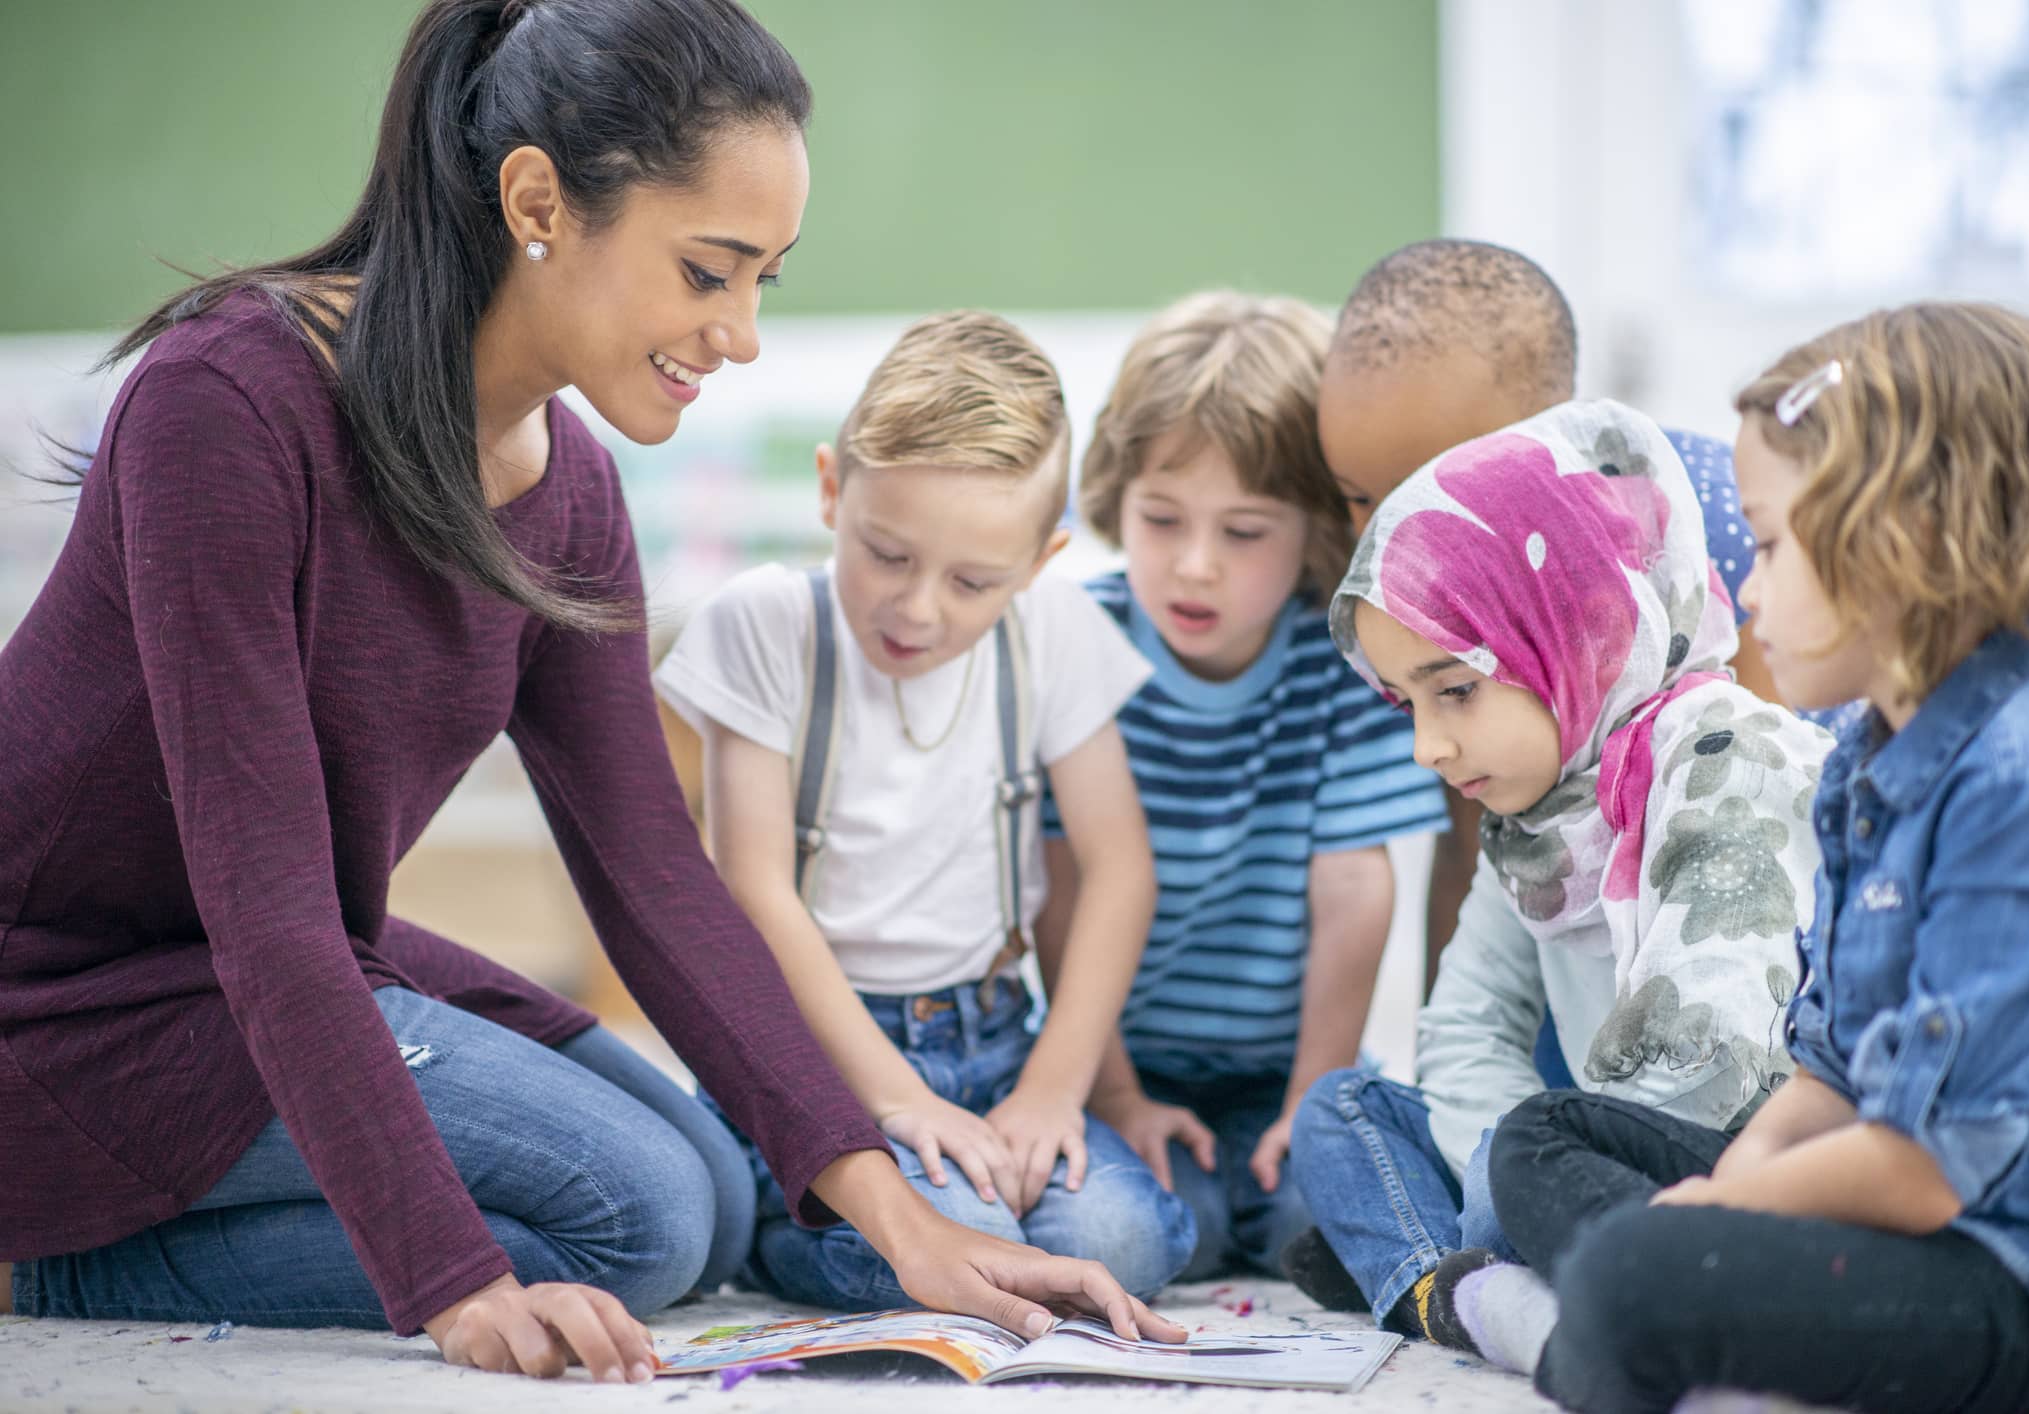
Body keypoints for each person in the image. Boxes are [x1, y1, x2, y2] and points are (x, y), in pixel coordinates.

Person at [0, 0, 1180, 1382]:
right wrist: (451, 1281)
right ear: (536, 200)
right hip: (69, 1009)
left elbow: (652, 877)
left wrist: (905, 1227)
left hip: (276, 960)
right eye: (706, 271)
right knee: (640, 1215)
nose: (736, 333)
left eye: (763, 282)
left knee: (718, 1193)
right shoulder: (227, 404)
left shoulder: (567, 487)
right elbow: (264, 910)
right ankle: (49, 1244)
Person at [1464, 303, 2029, 1414]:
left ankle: (1593, 1334)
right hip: (1907, 1204)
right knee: (1540, 1133)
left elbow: (1927, 1162)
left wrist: (1728, 1214)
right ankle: (1719, 1354)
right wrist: (1732, 1187)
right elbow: (1827, 1068)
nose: (1748, 590)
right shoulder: (1870, 749)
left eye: (1769, 546)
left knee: (1635, 1273)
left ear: (1901, 537)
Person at [654, 310, 1197, 1310]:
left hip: (995, 1041)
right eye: (887, 553)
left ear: (1040, 562)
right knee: (969, 1240)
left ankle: (916, 1219)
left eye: (973, 580)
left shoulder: (1055, 631)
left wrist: (1051, 1089)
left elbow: (1120, 870)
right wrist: (896, 1096)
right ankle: (774, 1224)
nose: (917, 608)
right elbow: (755, 888)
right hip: (816, 1055)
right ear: (830, 489)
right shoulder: (767, 624)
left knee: (1118, 1237)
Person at [1285, 398, 1832, 1343]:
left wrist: (1527, 1170)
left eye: (1453, 690)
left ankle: (1451, 1267)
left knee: (1522, 1160)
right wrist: (1509, 1162)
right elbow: (1461, 1026)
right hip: (1563, 1161)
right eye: (1406, 702)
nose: (1426, 746)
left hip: (1728, 1158)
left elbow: (1701, 1060)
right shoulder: (1535, 813)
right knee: (1341, 1110)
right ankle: (1467, 1296)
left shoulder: (1731, 759)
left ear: (1577, 629)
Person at [1036, 292, 1444, 1281]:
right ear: (1115, 498)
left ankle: (1254, 1191)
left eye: (1246, 531)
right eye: (1161, 518)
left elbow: (1352, 890)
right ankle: (1199, 1208)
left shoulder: (1341, 660)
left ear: (1312, 533)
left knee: (1344, 1210)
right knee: (1121, 1240)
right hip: (1112, 1061)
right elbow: (1056, 892)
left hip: (1282, 1069)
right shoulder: (1073, 644)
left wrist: (1314, 1097)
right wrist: (1119, 1097)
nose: (1194, 564)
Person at [1314, 239, 1787, 988]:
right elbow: (1473, 852)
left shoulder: (1714, 531)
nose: (1387, 535)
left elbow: (1765, 813)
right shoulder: (1388, 608)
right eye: (1355, 496)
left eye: (1434, 488)